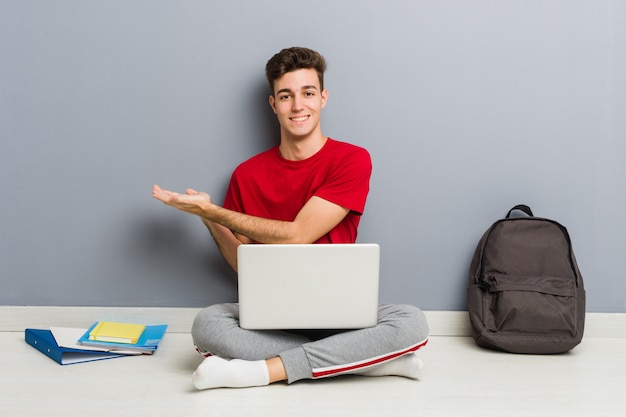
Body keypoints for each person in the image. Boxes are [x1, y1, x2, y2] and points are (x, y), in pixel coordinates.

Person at [152, 47, 429, 390]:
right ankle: (364, 363)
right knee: (207, 324)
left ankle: (261, 372)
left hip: (340, 316)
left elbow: (298, 234)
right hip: (273, 317)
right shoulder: (247, 175)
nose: (298, 106)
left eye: (308, 93)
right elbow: (243, 264)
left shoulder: (351, 160)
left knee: (411, 322)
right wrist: (208, 218)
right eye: (286, 96)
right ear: (273, 104)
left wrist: (215, 211)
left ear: (323, 97)